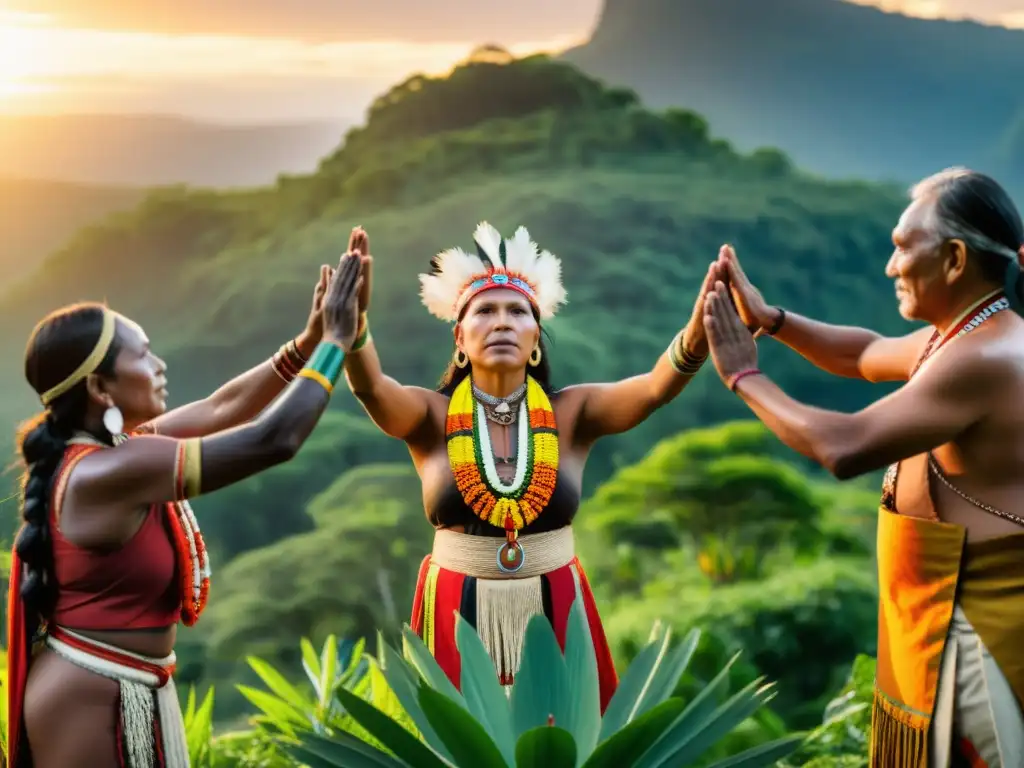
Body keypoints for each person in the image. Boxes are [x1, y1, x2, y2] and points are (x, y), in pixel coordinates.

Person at [701, 168, 1024, 767]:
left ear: (954, 258)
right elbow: (864, 352)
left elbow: (844, 446)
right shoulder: (960, 337)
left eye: (903, 246)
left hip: (984, 633)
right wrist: (771, 320)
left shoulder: (984, 356)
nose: (889, 265)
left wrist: (744, 376)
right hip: (951, 618)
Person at [7, 252, 364, 768]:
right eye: (144, 355)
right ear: (99, 387)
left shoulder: (116, 453)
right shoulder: (109, 471)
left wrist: (307, 344)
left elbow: (221, 408)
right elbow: (273, 440)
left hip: (116, 689)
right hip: (89, 702)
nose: (159, 365)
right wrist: (335, 345)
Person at [341, 222, 716, 711]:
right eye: (485, 311)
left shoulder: (572, 412)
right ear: (460, 336)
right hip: (456, 608)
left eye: (517, 311)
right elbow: (371, 388)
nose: (501, 322)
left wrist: (699, 331)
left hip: (556, 603)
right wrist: (354, 324)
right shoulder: (428, 415)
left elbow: (652, 389)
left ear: (535, 336)